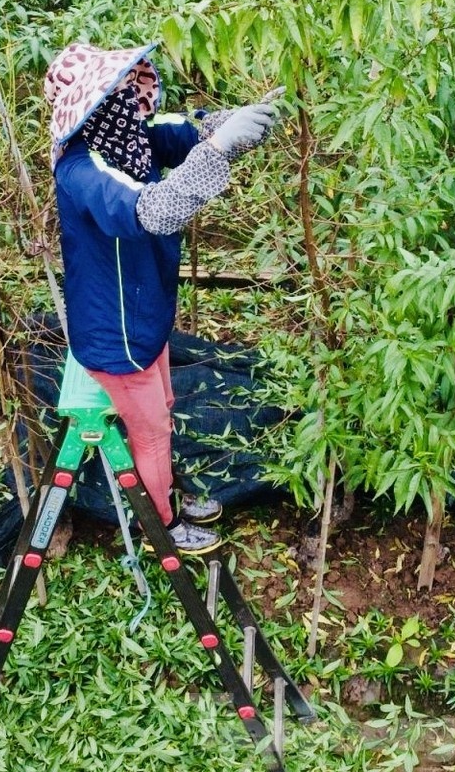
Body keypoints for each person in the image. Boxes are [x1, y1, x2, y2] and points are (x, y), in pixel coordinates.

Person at [43, 42, 281, 555]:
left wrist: (236, 121)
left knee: (165, 409)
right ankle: (162, 529)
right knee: (150, 435)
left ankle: (165, 491)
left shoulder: (133, 139)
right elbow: (156, 211)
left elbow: (189, 130)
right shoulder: (83, 171)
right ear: (91, 107)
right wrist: (218, 152)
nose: (135, 99)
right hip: (114, 333)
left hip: (144, 314)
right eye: (120, 93)